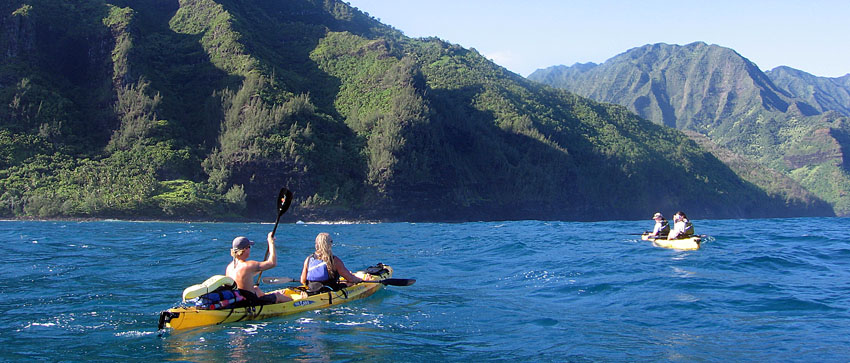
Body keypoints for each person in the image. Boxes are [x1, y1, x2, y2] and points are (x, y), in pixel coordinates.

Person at [226, 232, 291, 304]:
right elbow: (272, 263)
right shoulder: (249, 265)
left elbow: (246, 276)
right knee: (279, 296)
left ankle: (268, 297)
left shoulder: (229, 267)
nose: (250, 250)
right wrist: (271, 242)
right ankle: (295, 303)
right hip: (250, 302)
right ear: (245, 249)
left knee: (256, 288)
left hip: (238, 299)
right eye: (249, 247)